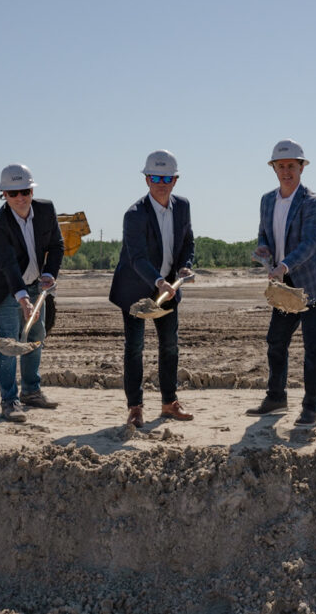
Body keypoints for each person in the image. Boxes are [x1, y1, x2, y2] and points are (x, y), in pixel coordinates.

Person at [246, 139, 316, 428]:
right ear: (273, 168)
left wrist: (284, 264)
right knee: (276, 340)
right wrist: (264, 248)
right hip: (285, 285)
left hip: (314, 284)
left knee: (314, 347)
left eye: (291, 166)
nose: (286, 171)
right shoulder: (267, 200)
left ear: (301, 167)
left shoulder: (314, 203)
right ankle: (276, 398)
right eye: (281, 166)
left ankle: (311, 408)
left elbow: (311, 243)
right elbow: (265, 233)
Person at [108, 150, 195, 428]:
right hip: (136, 288)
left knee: (170, 346)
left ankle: (169, 403)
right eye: (155, 177)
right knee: (134, 348)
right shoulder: (134, 214)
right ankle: (135, 408)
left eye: (167, 177)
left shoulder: (182, 207)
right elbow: (137, 258)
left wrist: (184, 266)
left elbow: (187, 242)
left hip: (168, 286)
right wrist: (159, 282)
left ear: (175, 180)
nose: (161, 182)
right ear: (146, 179)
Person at [0, 164, 65, 422]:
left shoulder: (46, 210)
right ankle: (9, 400)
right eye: (13, 193)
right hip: (3, 286)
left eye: (25, 191)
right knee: (8, 343)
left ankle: (31, 391)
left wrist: (49, 274)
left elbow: (56, 245)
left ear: (32, 190)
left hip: (36, 283)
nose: (20, 198)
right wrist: (22, 298)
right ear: (3, 194)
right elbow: (8, 265)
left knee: (36, 335)